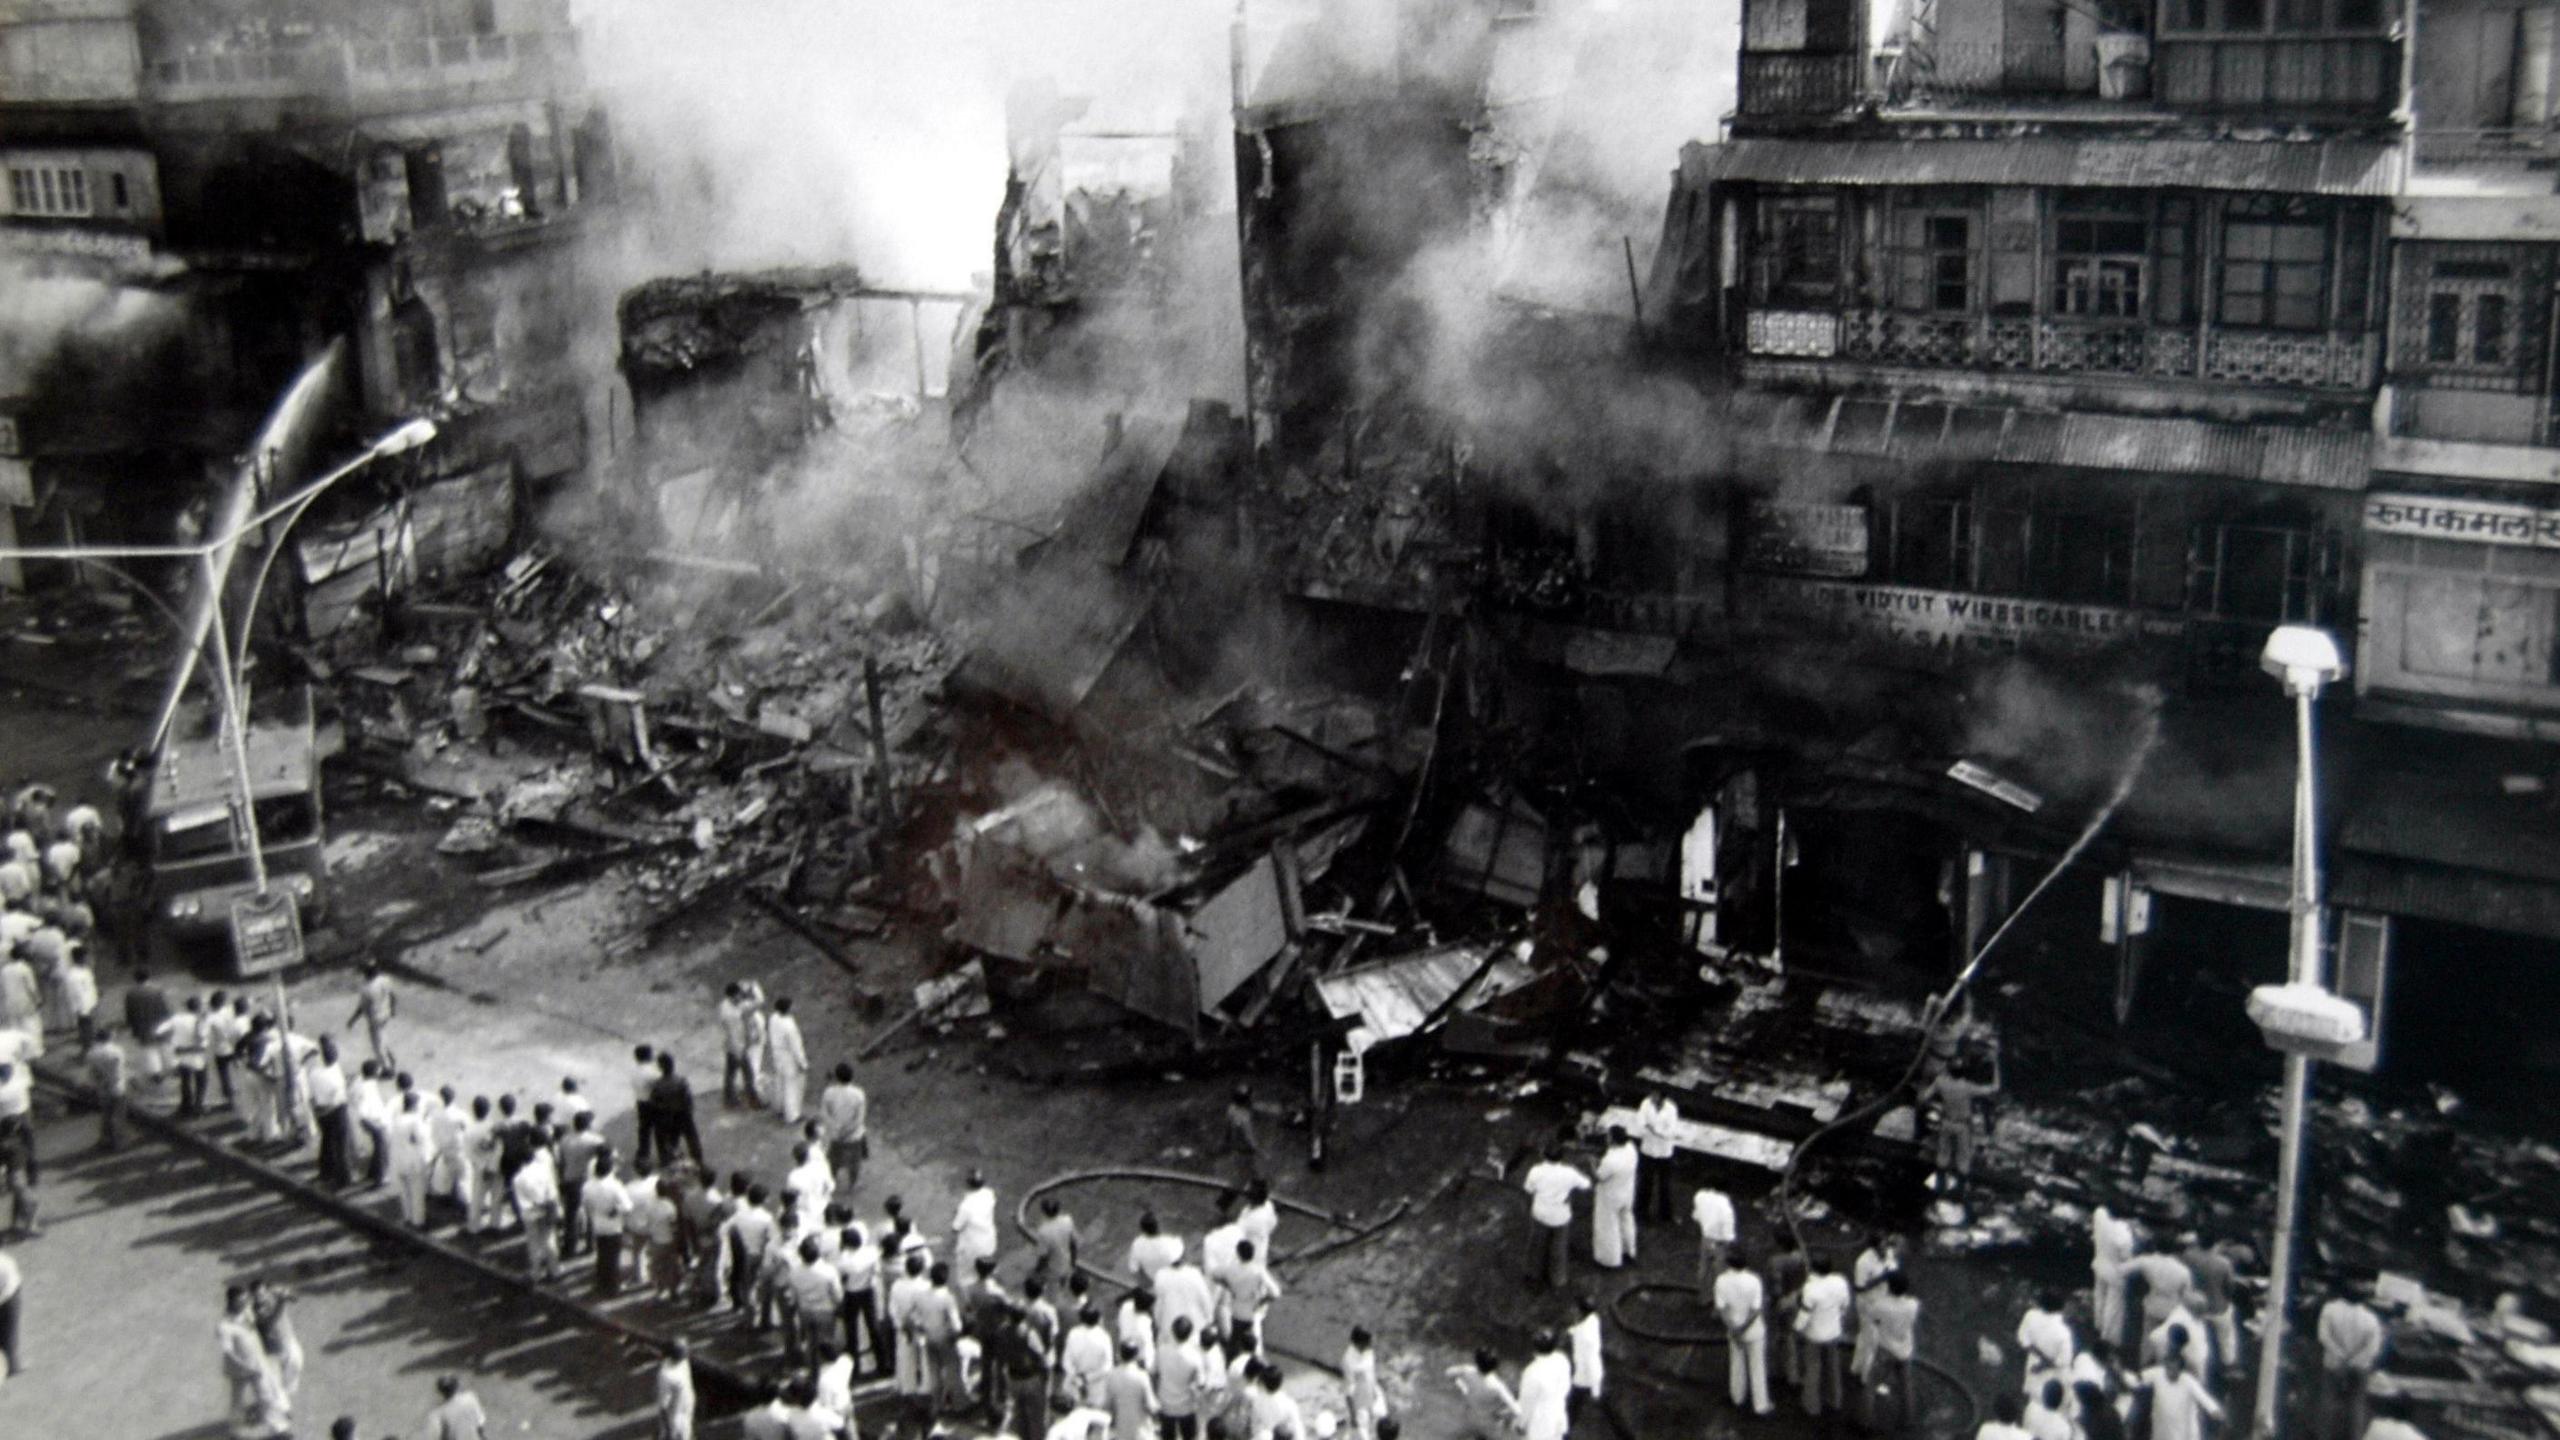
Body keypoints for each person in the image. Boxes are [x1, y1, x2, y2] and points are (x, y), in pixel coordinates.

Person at [221, 1283, 291, 1439]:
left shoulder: (247, 1312)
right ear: (231, 1301)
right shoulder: (224, 1325)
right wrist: (245, 1366)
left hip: (257, 1364)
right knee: (237, 1400)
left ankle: (278, 1428)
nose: (245, 1303)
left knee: (265, 1395)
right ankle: (236, 1431)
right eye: (241, 1300)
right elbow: (229, 1352)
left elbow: (264, 1321)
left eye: (245, 1299)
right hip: (238, 1369)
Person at [2316, 1285, 2385, 1440]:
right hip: (2359, 1367)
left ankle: (2324, 1436)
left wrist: (2340, 1356)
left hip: (2333, 1363)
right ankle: (2355, 1436)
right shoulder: (2371, 1319)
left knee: (2328, 1400)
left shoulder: (2330, 1309)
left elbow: (2323, 1336)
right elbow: (2373, 1348)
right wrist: (2353, 1360)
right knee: (2357, 1404)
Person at [1923, 1050, 2000, 1184]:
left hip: (1946, 1121)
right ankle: (1961, 1189)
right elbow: (1995, 1087)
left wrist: (1937, 1108)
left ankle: (1939, 1185)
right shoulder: (1968, 1087)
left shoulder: (1941, 1082)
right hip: (1962, 1125)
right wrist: (1996, 1064)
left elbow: (1924, 1097)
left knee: (1943, 1155)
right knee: (1963, 1158)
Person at [1522, 1143, 1590, 1290]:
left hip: (1540, 1213)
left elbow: (1528, 1190)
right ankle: (1558, 1279)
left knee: (1536, 1245)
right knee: (1558, 1247)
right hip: (1560, 1216)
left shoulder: (1536, 1171)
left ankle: (1533, 1275)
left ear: (1543, 1155)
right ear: (1562, 1157)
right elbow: (1586, 1185)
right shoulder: (1569, 1172)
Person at [1716, 1247, 1774, 1415]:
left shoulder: (1721, 1280)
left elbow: (1722, 1309)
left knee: (1736, 1363)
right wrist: (1743, 1328)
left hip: (1733, 1329)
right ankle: (1761, 1404)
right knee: (1757, 1366)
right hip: (1754, 1331)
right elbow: (1756, 1310)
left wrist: (1734, 1329)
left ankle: (1737, 1397)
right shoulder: (1754, 1281)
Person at [1795, 1253, 1851, 1417]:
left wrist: (1797, 1327)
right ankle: (1835, 1400)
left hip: (1814, 1334)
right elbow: (1845, 1305)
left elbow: (1805, 1314)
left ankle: (1811, 1405)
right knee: (1833, 1366)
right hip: (1833, 1331)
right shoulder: (1840, 1282)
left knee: (1813, 1367)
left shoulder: (1810, 1288)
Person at [2140, 1333, 2223, 1440]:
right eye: (2169, 1368)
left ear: (2180, 1368)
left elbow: (2203, 1397)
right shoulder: (2156, 1374)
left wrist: (2214, 1410)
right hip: (2162, 1430)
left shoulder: (2188, 1381)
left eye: (2175, 1368)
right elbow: (2136, 1379)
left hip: (2184, 1432)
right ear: (2165, 1365)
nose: (2172, 1372)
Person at [1866, 1272, 1921, 1432]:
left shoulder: (1880, 1305)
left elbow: (1874, 1320)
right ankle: (1908, 1421)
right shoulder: (1913, 1304)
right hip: (1905, 1350)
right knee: (1906, 1385)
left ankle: (1865, 1422)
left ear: (1889, 1287)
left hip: (1885, 1349)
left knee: (1871, 1385)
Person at [2181, 1233, 2240, 1379]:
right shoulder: (2224, 1263)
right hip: (2218, 1307)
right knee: (2227, 1337)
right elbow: (2230, 1286)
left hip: (2195, 1306)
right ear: (2215, 1244)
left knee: (2193, 1336)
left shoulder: (2188, 1257)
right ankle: (2229, 1364)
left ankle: (2190, 1361)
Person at [514, 1129, 564, 1281]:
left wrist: (534, 1206)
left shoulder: (519, 1178)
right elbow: (552, 1190)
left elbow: (522, 1202)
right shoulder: (543, 1170)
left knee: (534, 1243)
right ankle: (555, 1271)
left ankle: (535, 1273)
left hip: (531, 1213)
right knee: (549, 1240)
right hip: (547, 1208)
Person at [1851, 1232, 1901, 1383]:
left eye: (1887, 1245)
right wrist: (1882, 1278)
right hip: (1868, 1303)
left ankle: (1857, 1368)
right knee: (1872, 1339)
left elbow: (1893, 1270)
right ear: (1874, 1248)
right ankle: (1867, 1377)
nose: (1887, 1249)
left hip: (1883, 1301)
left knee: (1866, 1337)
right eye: (1883, 1246)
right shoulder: (1863, 1262)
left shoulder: (1889, 1254)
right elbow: (1859, 1288)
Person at [306, 1037, 355, 1187]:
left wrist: (317, 1111)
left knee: (326, 1141)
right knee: (341, 1145)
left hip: (321, 1110)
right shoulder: (336, 1076)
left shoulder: (314, 1073)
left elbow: (312, 1095)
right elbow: (339, 1099)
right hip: (336, 1111)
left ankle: (326, 1171)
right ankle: (344, 1178)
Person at [584, 1149, 632, 1294]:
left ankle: (602, 1282)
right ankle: (613, 1286)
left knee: (602, 1254)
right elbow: (627, 1206)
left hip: (597, 1223)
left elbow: (586, 1205)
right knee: (613, 1256)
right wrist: (615, 1210)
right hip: (613, 1225)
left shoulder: (587, 1186)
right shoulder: (614, 1185)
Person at [1591, 1125, 1639, 1268]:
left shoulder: (1611, 1159)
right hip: (1627, 1192)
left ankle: (1609, 1259)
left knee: (1608, 1225)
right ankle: (1629, 1250)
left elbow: (1599, 1176)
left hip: (1610, 1196)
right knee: (1626, 1220)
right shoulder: (1631, 1149)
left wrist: (1592, 1163)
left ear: (1612, 1139)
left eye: (1608, 1136)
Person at [1449, 1349, 1521, 1440]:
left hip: (1470, 1418)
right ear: (1495, 1366)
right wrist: (1501, 1415)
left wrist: (1463, 1388)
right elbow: (1517, 1411)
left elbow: (1449, 1372)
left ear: (1477, 1361)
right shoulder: (1497, 1385)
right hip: (1488, 1425)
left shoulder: (1468, 1371)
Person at [651, 1053, 706, 1170]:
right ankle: (699, 1162)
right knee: (692, 1139)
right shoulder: (681, 1081)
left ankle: (667, 1161)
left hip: (668, 1116)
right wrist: (689, 1110)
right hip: (684, 1114)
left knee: (670, 1140)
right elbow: (689, 1099)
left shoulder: (658, 1085)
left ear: (660, 1068)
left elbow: (655, 1102)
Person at [2090, 1207, 2136, 1349]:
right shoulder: (2122, 1232)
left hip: (2100, 1263)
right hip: (2115, 1271)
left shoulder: (2100, 1217)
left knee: (2100, 1297)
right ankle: (2108, 1337)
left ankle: (2098, 1324)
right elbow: (2126, 1255)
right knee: (2113, 1305)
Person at [2018, 1290, 2076, 1399]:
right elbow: (2064, 1361)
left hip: (2034, 1364)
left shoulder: (2030, 1315)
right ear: (2062, 1308)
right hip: (2053, 1374)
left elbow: (2023, 1340)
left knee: (2033, 1395)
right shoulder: (2063, 1333)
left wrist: (2041, 1359)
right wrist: (2045, 1363)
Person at [819, 1062, 868, 1190]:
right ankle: (853, 1183)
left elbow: (824, 1113)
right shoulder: (858, 1094)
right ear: (852, 1076)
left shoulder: (829, 1092)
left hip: (835, 1133)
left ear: (836, 1077)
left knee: (834, 1159)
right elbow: (859, 1119)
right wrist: (848, 1131)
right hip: (853, 1134)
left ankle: (831, 1180)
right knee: (855, 1161)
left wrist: (835, 1128)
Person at [1634, 1090, 1680, 1222]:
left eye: (1655, 1095)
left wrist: (1653, 1129)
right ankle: (1641, 1214)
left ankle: (1666, 1215)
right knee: (1645, 1184)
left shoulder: (1671, 1109)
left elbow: (1670, 1131)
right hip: (1647, 1151)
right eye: (1651, 1094)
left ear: (1662, 1097)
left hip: (1664, 1153)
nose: (1651, 1097)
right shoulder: (1646, 1104)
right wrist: (1655, 1130)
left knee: (1664, 1185)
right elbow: (1640, 1124)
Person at [391, 1090, 436, 1227]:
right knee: (417, 1192)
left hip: (398, 1159)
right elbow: (422, 1139)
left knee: (404, 1192)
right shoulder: (415, 1121)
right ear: (414, 1105)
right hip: (412, 1160)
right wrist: (427, 1122)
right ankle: (418, 1221)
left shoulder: (397, 1119)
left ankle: (408, 1217)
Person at [1518, 1329, 1572, 1440]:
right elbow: (1566, 1388)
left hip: (1539, 1425)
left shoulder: (1532, 1372)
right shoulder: (1562, 1360)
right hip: (1558, 1417)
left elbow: (1527, 1402)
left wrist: (1521, 1424)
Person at [83, 1022, 128, 1152]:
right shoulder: (117, 1051)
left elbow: (92, 1072)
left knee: (106, 1114)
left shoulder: (91, 1052)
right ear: (109, 1037)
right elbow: (119, 1069)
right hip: (117, 1085)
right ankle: (117, 1141)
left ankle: (105, 1139)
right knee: (118, 1114)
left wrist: (98, 1083)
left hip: (102, 1086)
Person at [345, 961, 397, 1069]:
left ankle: (387, 1068)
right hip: (385, 1014)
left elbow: (361, 1008)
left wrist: (352, 1020)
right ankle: (389, 1057)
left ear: (366, 973)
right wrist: (392, 1009)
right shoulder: (384, 980)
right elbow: (393, 996)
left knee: (377, 1046)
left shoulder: (367, 988)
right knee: (381, 1037)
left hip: (375, 1019)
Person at [1103, 1337, 1158, 1440]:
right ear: (1136, 1356)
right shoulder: (1142, 1376)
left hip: (1121, 1432)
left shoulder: (1111, 1376)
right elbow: (1151, 1406)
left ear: (1119, 1355)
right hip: (1141, 1432)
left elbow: (1106, 1406)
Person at [766, 997, 809, 1125]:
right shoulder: (789, 1026)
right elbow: (796, 1047)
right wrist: (802, 1063)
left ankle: (779, 1108)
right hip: (788, 1057)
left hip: (777, 1054)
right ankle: (792, 1115)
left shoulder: (773, 1018)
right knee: (791, 1086)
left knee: (779, 1081)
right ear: (788, 1008)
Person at [1568, 1294, 1607, 1426]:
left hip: (1585, 1379)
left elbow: (1592, 1361)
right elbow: (1581, 1328)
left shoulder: (1586, 1338)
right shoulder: (1593, 1319)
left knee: (1571, 1411)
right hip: (1589, 1374)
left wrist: (1595, 1390)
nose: (1573, 1310)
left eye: (1576, 1309)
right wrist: (1574, 1330)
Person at [954, 1168, 999, 1280]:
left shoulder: (966, 1206)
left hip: (972, 1246)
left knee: (966, 1275)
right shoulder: (989, 1194)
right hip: (989, 1241)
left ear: (968, 1185)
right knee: (986, 1271)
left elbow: (955, 1227)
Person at [1694, 1180, 1737, 1295]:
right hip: (1720, 1242)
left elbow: (1696, 1216)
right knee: (1720, 1273)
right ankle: (1718, 1304)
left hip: (1706, 1238)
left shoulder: (1700, 1196)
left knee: (1704, 1268)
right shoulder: (1726, 1207)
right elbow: (1729, 1233)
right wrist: (1730, 1244)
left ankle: (1703, 1296)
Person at [426, 1373, 490, 1440]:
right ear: (456, 1386)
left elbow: (436, 1437)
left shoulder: (437, 1414)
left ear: (440, 1392)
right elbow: (480, 1424)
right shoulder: (470, 1398)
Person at [1035, 1194, 1081, 1286]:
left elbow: (1043, 1257)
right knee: (1064, 1283)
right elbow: (1074, 1244)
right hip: (1067, 1264)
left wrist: (1036, 1272)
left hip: (1053, 1269)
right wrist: (1073, 1264)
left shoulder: (1043, 1231)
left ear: (1043, 1211)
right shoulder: (1068, 1220)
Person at [1127, 1210, 1183, 1286]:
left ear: (1142, 1229)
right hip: (1172, 1283)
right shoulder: (1171, 1242)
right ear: (1158, 1226)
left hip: (1153, 1283)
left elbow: (1133, 1270)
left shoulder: (1137, 1244)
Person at [656, 1339, 696, 1440]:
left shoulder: (680, 1363)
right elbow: (663, 1406)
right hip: (677, 1416)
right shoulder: (668, 1374)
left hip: (684, 1410)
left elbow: (663, 1405)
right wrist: (668, 1430)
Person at [0, 1247, 19, 1380]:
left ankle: (11, 1370)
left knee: (7, 1339)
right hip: (8, 1290)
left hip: (9, 1296)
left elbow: (8, 1287)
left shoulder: (4, 1264)